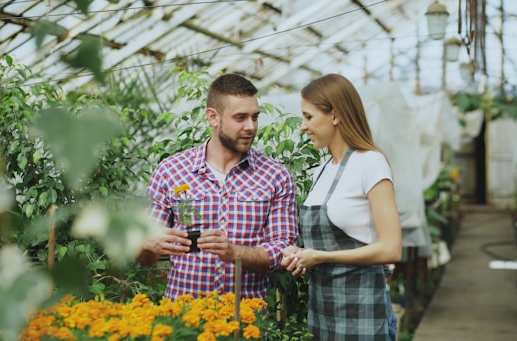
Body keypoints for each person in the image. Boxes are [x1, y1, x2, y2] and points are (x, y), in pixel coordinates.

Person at [138, 73, 299, 301]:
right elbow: (143, 259)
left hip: (245, 320)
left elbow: (283, 251)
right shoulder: (171, 171)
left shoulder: (276, 176)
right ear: (213, 117)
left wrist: (234, 253)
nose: (251, 126)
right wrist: (148, 245)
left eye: (255, 117)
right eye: (240, 117)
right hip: (184, 319)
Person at [281, 73, 403, 340]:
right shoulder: (322, 171)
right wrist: (301, 254)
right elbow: (321, 247)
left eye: (308, 117)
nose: (303, 126)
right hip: (323, 312)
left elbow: (391, 249)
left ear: (335, 115)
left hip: (364, 312)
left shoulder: (370, 163)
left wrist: (322, 257)